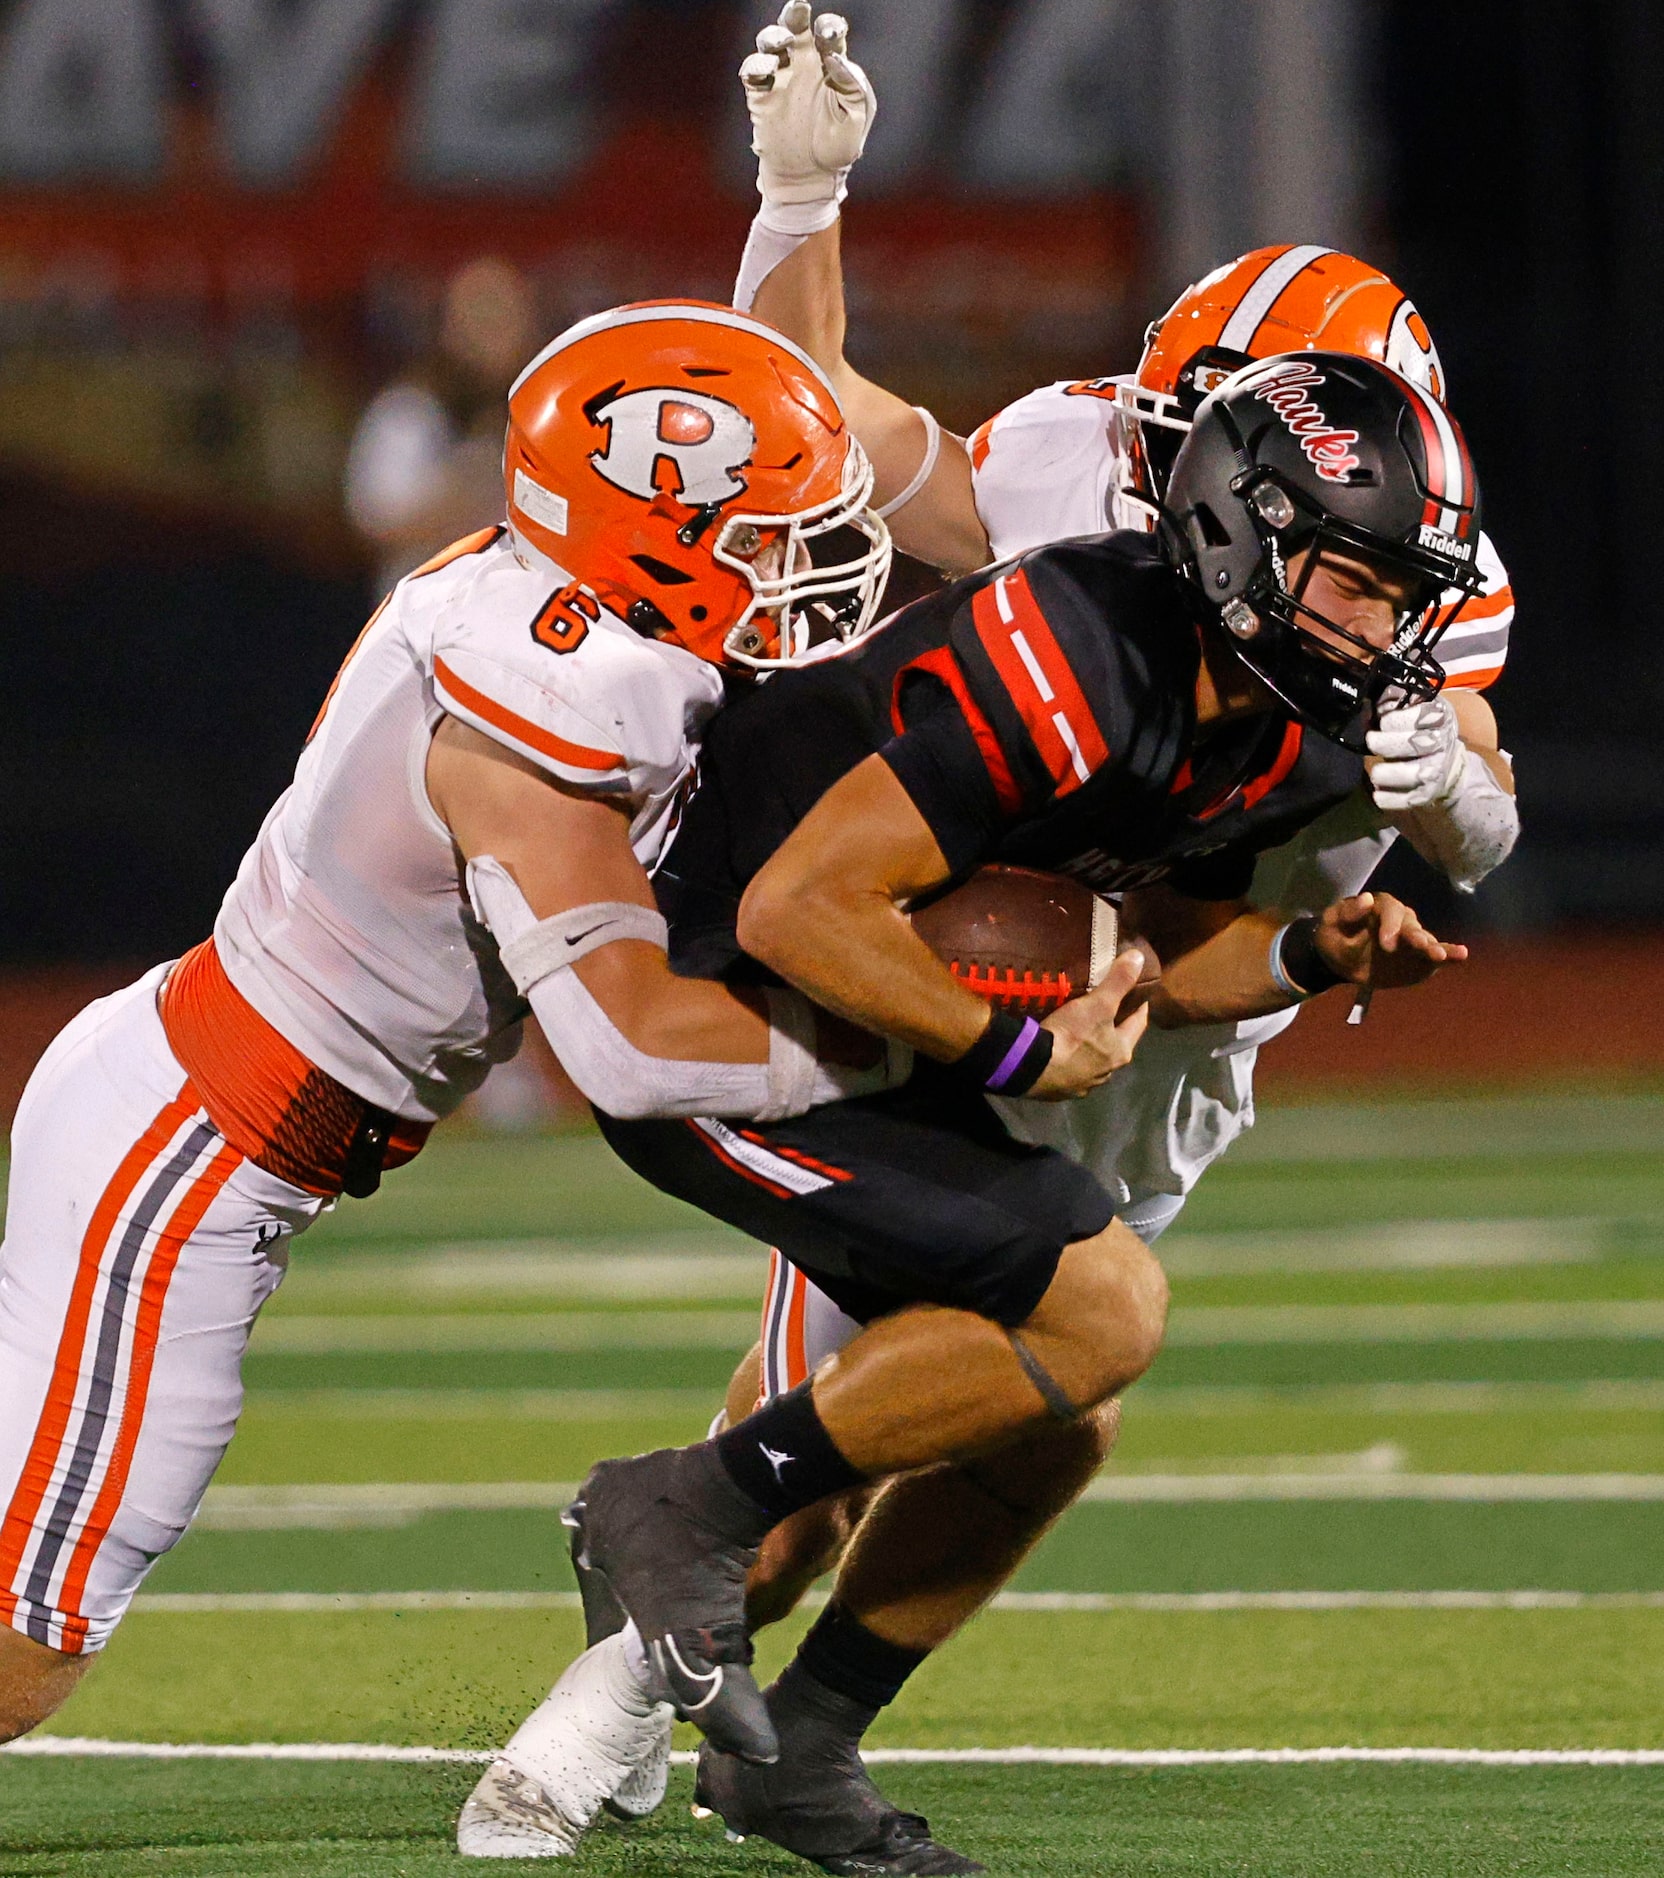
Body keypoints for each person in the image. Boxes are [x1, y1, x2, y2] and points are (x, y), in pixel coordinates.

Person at [464, 12, 1519, 1867]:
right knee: (839, 1408)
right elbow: (819, 421)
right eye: (1206, 415)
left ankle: (744, 1714)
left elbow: (1466, 810)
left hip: (1183, 1002)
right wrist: (799, 200)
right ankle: (603, 1717)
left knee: (1028, 1401)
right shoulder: (1079, 526)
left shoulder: (1400, 570)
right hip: (974, 960)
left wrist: (1438, 803)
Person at [0, 300, 938, 1745]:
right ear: (645, 532)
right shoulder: (542, 695)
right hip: (186, 1150)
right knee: (27, 1642)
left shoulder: (580, 614)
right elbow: (626, 1047)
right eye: (760, 535)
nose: (799, 568)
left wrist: (796, 201)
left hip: (217, 1115)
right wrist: (927, 1036)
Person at [344, 257, 538, 597]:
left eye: (504, 315)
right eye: (478, 314)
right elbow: (374, 522)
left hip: (524, 626)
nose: (490, 332)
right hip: (424, 621)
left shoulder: (549, 415)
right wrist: (466, 483)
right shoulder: (411, 411)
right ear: (448, 326)